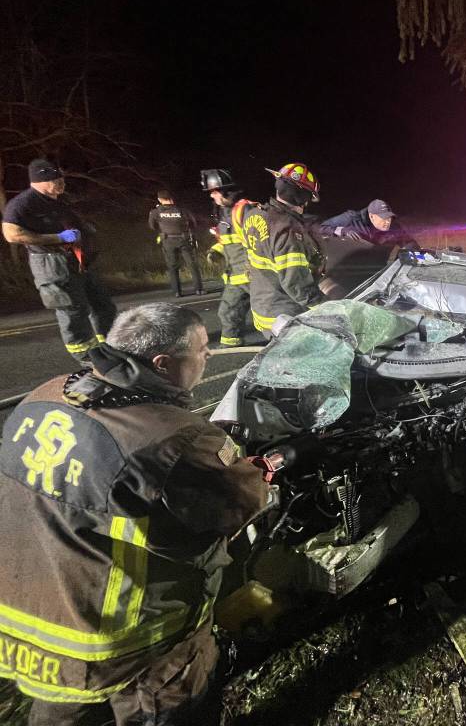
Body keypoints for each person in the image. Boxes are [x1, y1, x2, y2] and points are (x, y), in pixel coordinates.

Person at [0, 302, 268, 725]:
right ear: (163, 364)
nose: (209, 356)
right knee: (170, 702)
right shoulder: (176, 435)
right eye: (201, 350)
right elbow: (241, 505)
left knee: (60, 709)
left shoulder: (44, 394)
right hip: (119, 634)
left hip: (26, 612)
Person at [1, 158, 117, 361]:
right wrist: (57, 238)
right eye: (56, 179)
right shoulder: (23, 203)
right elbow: (12, 234)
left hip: (77, 261)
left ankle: (108, 346)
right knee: (73, 312)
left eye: (62, 178)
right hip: (51, 264)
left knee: (103, 305)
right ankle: (87, 358)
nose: (62, 183)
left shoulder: (59, 200)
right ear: (39, 180)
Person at [238, 163, 326, 336]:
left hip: (262, 305)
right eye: (307, 197)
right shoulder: (287, 229)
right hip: (286, 316)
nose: (307, 203)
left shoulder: (254, 215)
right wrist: (326, 306)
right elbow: (296, 283)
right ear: (301, 196)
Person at [316, 198, 420, 295]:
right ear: (371, 216)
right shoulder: (351, 218)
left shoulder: (393, 227)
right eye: (383, 218)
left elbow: (410, 242)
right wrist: (342, 230)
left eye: (389, 217)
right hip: (347, 267)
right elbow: (321, 228)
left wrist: (411, 252)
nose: (388, 221)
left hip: (375, 268)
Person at [200, 169, 252, 346]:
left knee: (270, 313)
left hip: (254, 275)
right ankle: (230, 345)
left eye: (213, 192)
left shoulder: (245, 210)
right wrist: (216, 250)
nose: (211, 196)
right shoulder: (225, 213)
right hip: (236, 276)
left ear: (225, 191)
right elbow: (227, 241)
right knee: (228, 311)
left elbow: (260, 242)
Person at [148, 190, 204, 297]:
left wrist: (162, 230)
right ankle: (199, 290)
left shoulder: (155, 212)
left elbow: (152, 226)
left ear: (159, 200)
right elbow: (193, 223)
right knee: (192, 265)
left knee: (172, 266)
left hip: (168, 241)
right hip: (184, 240)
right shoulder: (182, 210)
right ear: (171, 198)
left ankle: (177, 292)